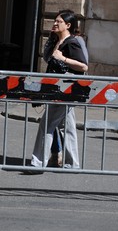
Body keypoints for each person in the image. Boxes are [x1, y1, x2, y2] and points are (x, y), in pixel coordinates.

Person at [29, 10, 88, 171]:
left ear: (68, 25)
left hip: (64, 91)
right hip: (58, 90)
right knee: (67, 127)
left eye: (59, 21)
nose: (55, 23)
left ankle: (37, 163)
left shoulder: (72, 42)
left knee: (46, 124)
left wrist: (63, 58)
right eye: (55, 20)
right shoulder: (57, 42)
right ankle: (72, 163)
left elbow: (83, 66)